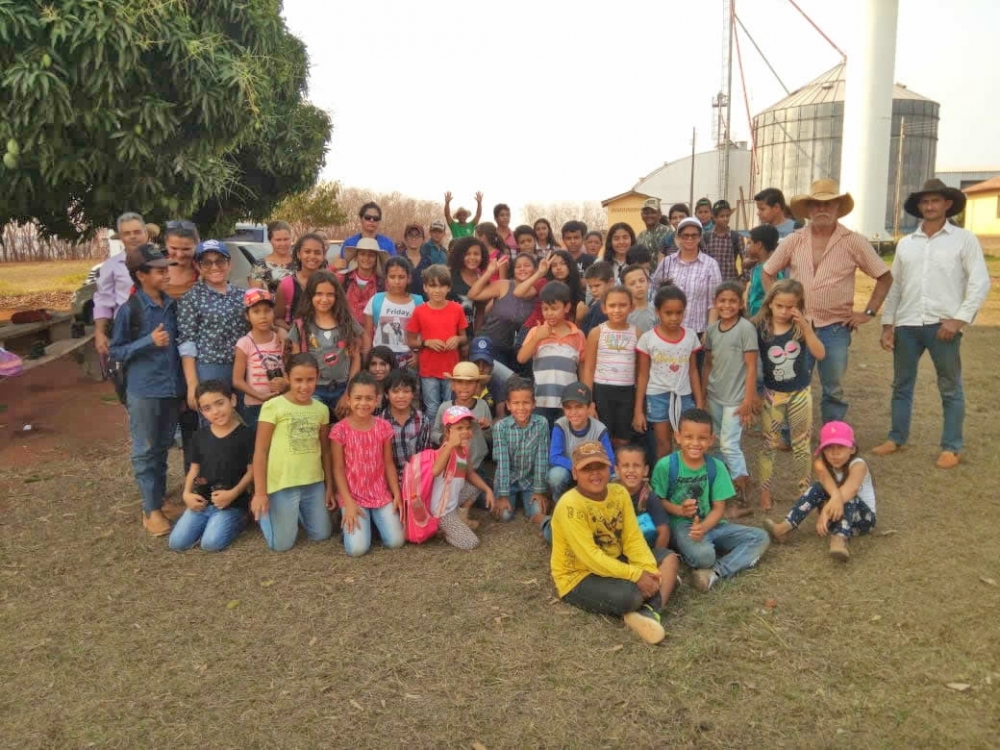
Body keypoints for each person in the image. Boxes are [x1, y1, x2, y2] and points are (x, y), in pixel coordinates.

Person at [874, 180, 991, 469]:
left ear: (947, 204)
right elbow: (897, 286)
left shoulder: (964, 240)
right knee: (901, 385)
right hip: (908, 325)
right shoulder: (906, 244)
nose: (929, 207)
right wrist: (888, 324)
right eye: (925, 202)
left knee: (950, 387)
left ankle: (952, 446)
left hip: (943, 326)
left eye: (935, 201)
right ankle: (896, 437)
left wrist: (959, 319)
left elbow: (980, 282)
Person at [762, 179, 892, 425]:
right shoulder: (794, 240)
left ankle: (833, 440)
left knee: (834, 389)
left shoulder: (853, 241)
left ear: (837, 208)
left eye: (828, 204)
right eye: (816, 205)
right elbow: (767, 271)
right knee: (793, 383)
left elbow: (884, 277)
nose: (822, 209)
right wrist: (778, 307)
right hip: (798, 326)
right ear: (808, 209)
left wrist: (868, 312)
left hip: (835, 327)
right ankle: (791, 435)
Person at [550, 441, 679, 645]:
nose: (595, 474)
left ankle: (648, 612)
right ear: (575, 473)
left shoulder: (619, 493)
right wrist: (637, 575)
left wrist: (648, 570)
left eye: (599, 466)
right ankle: (654, 596)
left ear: (609, 468)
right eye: (587, 469)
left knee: (669, 559)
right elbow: (591, 558)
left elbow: (632, 539)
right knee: (631, 596)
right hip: (580, 575)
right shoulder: (569, 506)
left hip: (615, 557)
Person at [110, 244, 184, 537]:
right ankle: (150, 510)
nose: (166, 274)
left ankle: (160, 500)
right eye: (159, 270)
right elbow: (115, 352)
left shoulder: (170, 304)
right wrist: (147, 342)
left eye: (167, 268)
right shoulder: (130, 310)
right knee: (145, 449)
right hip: (144, 390)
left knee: (163, 446)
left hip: (170, 388)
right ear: (140, 275)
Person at [653, 408, 770, 592]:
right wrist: (680, 511)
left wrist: (704, 528)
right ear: (678, 437)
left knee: (760, 537)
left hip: (712, 525)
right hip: (681, 525)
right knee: (705, 556)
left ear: (711, 440)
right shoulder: (665, 466)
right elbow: (658, 502)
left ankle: (715, 572)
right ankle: (687, 549)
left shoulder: (716, 467)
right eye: (689, 437)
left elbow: (718, 508)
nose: (695, 443)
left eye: (702, 438)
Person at [251, 353, 334, 552]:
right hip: (283, 484)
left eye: (310, 380)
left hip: (313, 483)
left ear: (317, 377)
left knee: (322, 535)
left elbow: (326, 451)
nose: (304, 386)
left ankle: (295, 512)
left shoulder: (321, 410)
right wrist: (260, 493)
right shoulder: (273, 406)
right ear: (287, 377)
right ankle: (267, 513)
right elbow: (260, 452)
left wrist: (329, 486)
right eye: (298, 380)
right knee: (282, 545)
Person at [756, 279, 826, 511]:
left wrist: (806, 327)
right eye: (780, 306)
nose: (784, 312)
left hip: (799, 392)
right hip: (773, 395)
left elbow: (820, 353)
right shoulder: (761, 327)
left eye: (790, 306)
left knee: (801, 444)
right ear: (770, 304)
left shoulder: (800, 327)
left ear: (798, 305)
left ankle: (803, 491)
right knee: (769, 445)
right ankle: (765, 491)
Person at [765, 421, 875, 562]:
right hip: (834, 516)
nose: (835, 454)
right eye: (829, 448)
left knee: (848, 497)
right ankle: (784, 528)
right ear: (822, 450)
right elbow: (832, 491)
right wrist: (830, 505)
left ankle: (839, 539)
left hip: (862, 519)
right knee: (818, 487)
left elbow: (851, 490)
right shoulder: (820, 464)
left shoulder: (859, 465)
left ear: (852, 449)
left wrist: (825, 511)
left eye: (841, 447)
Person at [169, 380, 254, 552]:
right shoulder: (199, 436)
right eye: (207, 408)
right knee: (177, 543)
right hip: (203, 501)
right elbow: (194, 469)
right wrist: (186, 494)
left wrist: (232, 494)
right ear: (201, 412)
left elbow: (252, 471)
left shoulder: (247, 435)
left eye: (219, 403)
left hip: (232, 503)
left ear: (233, 400)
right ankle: (209, 521)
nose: (215, 412)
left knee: (210, 544)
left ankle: (239, 520)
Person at [328, 372, 405, 556]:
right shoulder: (340, 430)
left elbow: (388, 464)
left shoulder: (383, 427)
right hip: (353, 495)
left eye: (369, 398)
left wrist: (396, 495)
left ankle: (373, 523)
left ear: (377, 400)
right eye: (358, 398)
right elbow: (338, 469)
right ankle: (353, 523)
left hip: (379, 493)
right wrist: (348, 502)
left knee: (396, 542)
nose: (363, 403)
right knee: (357, 550)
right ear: (348, 400)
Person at [702, 281, 757, 516]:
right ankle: (721, 488)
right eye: (722, 301)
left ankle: (742, 490)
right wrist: (703, 394)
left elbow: (752, 366)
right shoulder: (712, 331)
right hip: (714, 395)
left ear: (741, 303)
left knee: (729, 444)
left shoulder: (745, 329)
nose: (727, 305)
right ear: (715, 303)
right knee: (713, 442)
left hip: (735, 399)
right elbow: (707, 364)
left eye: (732, 301)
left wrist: (748, 401)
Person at [634, 285, 703, 460]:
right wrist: (638, 410)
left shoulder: (690, 336)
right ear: (658, 312)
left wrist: (700, 403)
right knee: (663, 443)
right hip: (657, 397)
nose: (674, 318)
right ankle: (662, 481)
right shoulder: (648, 339)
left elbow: (693, 371)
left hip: (684, 396)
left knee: (688, 441)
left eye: (679, 313)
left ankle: (686, 476)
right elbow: (642, 375)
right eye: (668, 313)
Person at [178, 240, 247, 415]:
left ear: (229, 264)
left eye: (220, 261)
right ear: (198, 266)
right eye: (207, 262)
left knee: (246, 419)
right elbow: (187, 342)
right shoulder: (192, 298)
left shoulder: (243, 296)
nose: (214, 266)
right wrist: (193, 383)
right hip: (210, 367)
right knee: (214, 419)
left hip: (243, 366)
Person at [285, 270, 362, 420]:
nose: (324, 299)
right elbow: (296, 364)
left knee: (342, 434)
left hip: (343, 388)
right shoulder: (301, 326)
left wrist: (348, 393)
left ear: (337, 296)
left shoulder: (347, 322)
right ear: (310, 296)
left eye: (330, 294)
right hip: (313, 390)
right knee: (317, 432)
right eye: (318, 294)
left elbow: (356, 358)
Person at [431, 362, 494, 527]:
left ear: (477, 386)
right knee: (464, 492)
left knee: (486, 500)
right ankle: (449, 514)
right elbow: (435, 432)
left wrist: (487, 427)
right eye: (459, 382)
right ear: (452, 385)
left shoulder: (482, 406)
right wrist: (446, 440)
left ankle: (461, 512)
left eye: (470, 382)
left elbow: (489, 437)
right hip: (452, 468)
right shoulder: (445, 407)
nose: (464, 387)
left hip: (475, 465)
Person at [516, 282, 587, 426]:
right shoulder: (536, 331)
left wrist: (584, 397)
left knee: (565, 437)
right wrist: (537, 338)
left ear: (567, 307)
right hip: (541, 399)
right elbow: (521, 358)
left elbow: (583, 368)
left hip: (569, 402)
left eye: (554, 309)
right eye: (545, 309)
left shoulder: (578, 335)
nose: (549, 313)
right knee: (543, 437)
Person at [426, 406, 496, 550]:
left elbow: (470, 474)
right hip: (442, 512)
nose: (465, 432)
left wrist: (488, 490)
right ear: (447, 431)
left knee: (476, 485)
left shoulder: (464, 450)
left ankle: (460, 517)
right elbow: (435, 471)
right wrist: (450, 444)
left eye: (468, 428)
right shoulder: (446, 449)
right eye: (459, 428)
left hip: (453, 500)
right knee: (471, 543)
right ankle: (444, 532)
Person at [406, 264, 468, 422]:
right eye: (432, 286)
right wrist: (426, 342)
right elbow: (410, 340)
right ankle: (433, 441)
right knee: (432, 408)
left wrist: (457, 339)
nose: (437, 290)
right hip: (428, 369)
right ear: (425, 288)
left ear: (448, 288)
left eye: (442, 285)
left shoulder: (457, 309)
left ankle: (449, 438)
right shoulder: (420, 311)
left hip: (451, 369)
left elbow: (464, 337)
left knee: (450, 406)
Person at [651, 217, 722, 348]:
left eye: (694, 235)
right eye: (685, 235)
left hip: (697, 333)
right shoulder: (667, 263)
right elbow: (655, 290)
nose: (690, 239)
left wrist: (710, 331)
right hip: (667, 330)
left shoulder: (710, 265)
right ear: (678, 238)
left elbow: (714, 302)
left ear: (700, 237)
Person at [582, 285, 639, 447]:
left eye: (623, 305)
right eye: (612, 305)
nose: (617, 310)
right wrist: (589, 402)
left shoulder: (637, 334)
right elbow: (588, 369)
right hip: (601, 392)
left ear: (631, 307)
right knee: (601, 436)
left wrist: (638, 408)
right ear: (604, 308)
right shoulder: (596, 333)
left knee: (623, 439)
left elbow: (641, 372)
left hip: (627, 393)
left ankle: (619, 470)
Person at [492, 376, 550, 523]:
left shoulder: (541, 423)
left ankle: (524, 498)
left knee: (537, 512)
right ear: (508, 405)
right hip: (508, 481)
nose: (521, 408)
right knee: (504, 516)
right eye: (516, 403)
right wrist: (503, 495)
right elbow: (503, 463)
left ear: (534, 404)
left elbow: (541, 458)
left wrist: (539, 490)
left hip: (529, 481)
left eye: (526, 403)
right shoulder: (501, 427)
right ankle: (510, 497)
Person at [468, 253, 538, 371]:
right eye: (518, 266)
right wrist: (489, 272)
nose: (522, 269)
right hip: (490, 345)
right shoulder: (504, 285)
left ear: (535, 269)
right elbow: (472, 295)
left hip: (518, 351)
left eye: (527, 265)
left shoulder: (537, 292)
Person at [547, 382, 615, 502]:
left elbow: (610, 461)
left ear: (590, 407)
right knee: (556, 476)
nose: (573, 412)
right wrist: (578, 467)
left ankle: (600, 501)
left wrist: (591, 471)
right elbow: (554, 457)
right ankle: (560, 503)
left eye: (579, 406)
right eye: (568, 407)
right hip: (569, 470)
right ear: (563, 409)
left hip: (593, 472)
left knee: (615, 478)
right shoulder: (560, 425)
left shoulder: (599, 429)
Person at [94, 212, 149, 360]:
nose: (132, 237)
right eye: (127, 233)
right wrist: (100, 333)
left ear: (146, 234)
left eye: (137, 232)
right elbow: (103, 302)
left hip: (159, 325)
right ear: (121, 238)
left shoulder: (161, 261)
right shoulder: (110, 266)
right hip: (126, 328)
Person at [233, 288, 287, 433]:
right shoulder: (245, 343)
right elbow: (237, 380)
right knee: (258, 443)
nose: (263, 316)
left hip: (281, 400)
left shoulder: (280, 339)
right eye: (256, 311)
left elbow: (289, 368)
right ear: (247, 315)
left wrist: (285, 383)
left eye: (267, 310)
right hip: (255, 405)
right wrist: (259, 396)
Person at [363, 256, 423, 367]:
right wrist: (367, 358)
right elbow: (367, 333)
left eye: (401, 277)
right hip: (380, 360)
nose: (397, 281)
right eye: (392, 277)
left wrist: (418, 355)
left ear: (409, 278)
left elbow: (423, 333)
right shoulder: (376, 300)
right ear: (386, 279)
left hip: (408, 360)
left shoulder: (418, 302)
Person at [615, 443, 670, 550]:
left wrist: (654, 559)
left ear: (645, 471)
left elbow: (664, 530)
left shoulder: (648, 496)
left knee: (670, 560)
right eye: (625, 466)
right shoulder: (609, 493)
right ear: (617, 470)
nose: (631, 470)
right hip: (617, 548)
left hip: (644, 548)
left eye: (636, 466)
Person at [274, 233, 328, 330]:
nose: (312, 256)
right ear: (299, 254)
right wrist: (292, 332)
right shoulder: (286, 284)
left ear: (323, 256)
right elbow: (277, 319)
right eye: (307, 251)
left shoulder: (330, 282)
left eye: (317, 252)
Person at [340, 236, 388, 324]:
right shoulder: (343, 278)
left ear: (376, 259)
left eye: (371, 255)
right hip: (346, 332)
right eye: (362, 254)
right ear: (356, 257)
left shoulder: (383, 283)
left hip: (372, 334)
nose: (366, 258)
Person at [448, 236, 488, 334]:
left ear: (482, 256)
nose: (472, 257)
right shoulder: (449, 275)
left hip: (469, 334)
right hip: (447, 332)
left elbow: (480, 312)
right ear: (460, 255)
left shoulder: (483, 280)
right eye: (467, 254)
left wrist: (475, 337)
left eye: (476, 254)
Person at [337, 202, 396, 268]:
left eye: (376, 218)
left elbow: (393, 268)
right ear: (361, 219)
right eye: (368, 217)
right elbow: (343, 268)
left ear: (379, 221)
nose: (372, 220)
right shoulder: (349, 243)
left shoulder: (388, 243)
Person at [744, 225, 783, 318]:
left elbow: (772, 297)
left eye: (749, 243)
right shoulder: (757, 266)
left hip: (764, 320)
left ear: (759, 245)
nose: (747, 247)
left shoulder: (769, 271)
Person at [701, 200, 743, 282]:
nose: (725, 219)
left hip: (730, 283)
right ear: (714, 217)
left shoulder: (736, 237)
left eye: (728, 216)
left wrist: (744, 280)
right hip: (710, 282)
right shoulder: (706, 237)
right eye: (722, 216)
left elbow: (745, 259)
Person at [249, 220, 296, 292]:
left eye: (286, 239)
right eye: (278, 240)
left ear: (291, 239)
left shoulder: (300, 263)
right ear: (270, 240)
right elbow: (256, 297)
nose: (283, 244)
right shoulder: (259, 266)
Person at [162, 220, 200, 301]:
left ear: (197, 244)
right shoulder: (150, 269)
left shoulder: (205, 272)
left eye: (186, 249)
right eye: (174, 248)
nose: (180, 255)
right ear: (166, 244)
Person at [579, 261, 614, 336]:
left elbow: (591, 334)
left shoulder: (601, 306)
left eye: (597, 286)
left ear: (610, 282)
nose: (593, 290)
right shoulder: (594, 301)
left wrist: (579, 319)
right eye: (590, 287)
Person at [417, 220, 450, 294]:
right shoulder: (424, 248)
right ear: (430, 232)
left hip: (442, 288)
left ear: (444, 234)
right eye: (434, 231)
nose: (437, 234)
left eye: (439, 232)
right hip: (428, 288)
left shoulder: (445, 251)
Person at [622, 264, 656, 334]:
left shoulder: (657, 311)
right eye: (632, 283)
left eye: (642, 281)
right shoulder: (623, 313)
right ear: (624, 288)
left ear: (648, 282)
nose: (638, 285)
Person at [636, 198, 670, 263]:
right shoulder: (640, 236)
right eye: (646, 213)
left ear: (659, 214)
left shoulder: (668, 233)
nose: (649, 215)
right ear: (641, 215)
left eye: (653, 212)